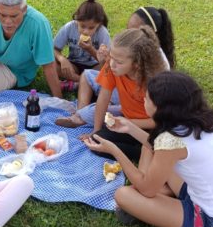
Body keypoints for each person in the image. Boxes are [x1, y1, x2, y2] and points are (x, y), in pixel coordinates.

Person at [84, 71, 213, 227]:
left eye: (147, 99)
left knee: (123, 195)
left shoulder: (170, 139)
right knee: (150, 148)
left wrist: (114, 150)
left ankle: (145, 205)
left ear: (161, 108)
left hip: (211, 221)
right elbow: (155, 147)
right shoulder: (200, 120)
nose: (143, 101)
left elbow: (147, 190)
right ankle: (157, 199)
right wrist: (130, 128)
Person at [60, 26, 168, 161]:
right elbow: (103, 98)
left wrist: (128, 123)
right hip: (127, 123)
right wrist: (96, 130)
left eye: (119, 62)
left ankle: (147, 152)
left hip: (152, 129)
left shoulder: (154, 81)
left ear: (137, 64)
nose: (112, 64)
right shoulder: (112, 68)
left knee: (154, 148)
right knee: (96, 141)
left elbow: (158, 122)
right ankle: (140, 151)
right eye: (111, 58)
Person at [57, 6, 175, 128]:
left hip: (134, 108)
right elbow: (110, 78)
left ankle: (82, 116)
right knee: (87, 75)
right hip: (122, 94)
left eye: (133, 31)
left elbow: (158, 117)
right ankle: (80, 113)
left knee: (101, 113)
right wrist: (104, 59)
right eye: (127, 29)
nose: (128, 34)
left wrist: (126, 120)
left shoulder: (155, 70)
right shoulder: (122, 52)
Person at [53, 0, 111, 91]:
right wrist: (62, 59)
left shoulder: (102, 32)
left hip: (94, 66)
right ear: (77, 20)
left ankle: (76, 84)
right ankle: (85, 83)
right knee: (52, 64)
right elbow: (54, 48)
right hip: (74, 65)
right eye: (82, 26)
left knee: (107, 69)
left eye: (91, 28)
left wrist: (90, 49)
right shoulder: (70, 27)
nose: (86, 31)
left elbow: (107, 61)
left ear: (99, 24)